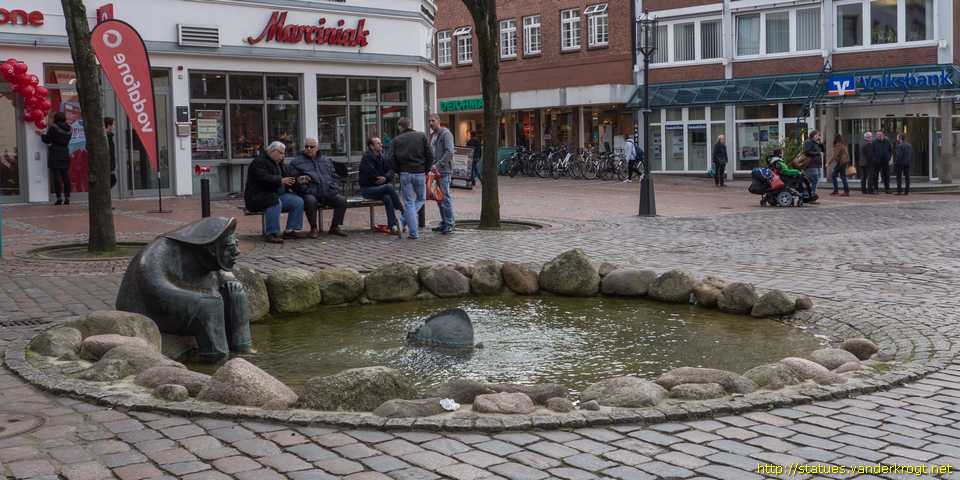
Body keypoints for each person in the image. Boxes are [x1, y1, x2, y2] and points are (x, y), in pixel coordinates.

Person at [243, 141, 305, 244]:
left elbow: (289, 178)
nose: (282, 156)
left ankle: (290, 230)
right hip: (257, 197)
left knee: (297, 201)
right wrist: (280, 180)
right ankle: (272, 233)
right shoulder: (259, 162)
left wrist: (298, 179)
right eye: (281, 153)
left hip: (277, 195)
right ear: (272, 151)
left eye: (284, 153)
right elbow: (263, 178)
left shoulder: (280, 163)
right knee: (274, 201)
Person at [289, 138, 348, 238]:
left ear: (317, 148)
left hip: (327, 191)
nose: (308, 149)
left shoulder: (325, 160)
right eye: (306, 146)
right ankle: (313, 228)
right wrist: (308, 190)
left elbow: (334, 176)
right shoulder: (296, 162)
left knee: (341, 200)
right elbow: (296, 181)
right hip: (309, 193)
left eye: (311, 147)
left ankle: (335, 226)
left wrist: (334, 187)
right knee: (310, 201)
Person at [391, 117, 434, 239]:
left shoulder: (396, 140)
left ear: (400, 126)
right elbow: (430, 154)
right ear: (410, 125)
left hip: (405, 173)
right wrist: (426, 169)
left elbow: (391, 158)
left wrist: (398, 171)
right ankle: (408, 227)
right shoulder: (421, 136)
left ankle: (407, 225)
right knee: (421, 198)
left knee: (409, 202)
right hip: (420, 172)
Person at [360, 136, 403, 234]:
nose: (381, 145)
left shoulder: (382, 157)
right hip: (367, 189)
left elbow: (391, 170)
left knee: (387, 197)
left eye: (380, 143)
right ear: (371, 146)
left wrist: (385, 177)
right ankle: (401, 208)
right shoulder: (367, 158)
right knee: (389, 187)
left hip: (380, 188)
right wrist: (385, 178)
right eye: (378, 143)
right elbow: (373, 175)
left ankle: (392, 226)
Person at [429, 114, 455, 234]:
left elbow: (449, 152)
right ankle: (444, 222)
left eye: (433, 121)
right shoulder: (432, 135)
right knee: (439, 198)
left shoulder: (446, 134)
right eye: (429, 121)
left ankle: (450, 224)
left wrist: (437, 165)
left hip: (443, 171)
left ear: (438, 121)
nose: (431, 123)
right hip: (435, 172)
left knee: (445, 198)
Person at [40, 112, 72, 205]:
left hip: (55, 152)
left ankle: (59, 198)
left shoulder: (53, 127)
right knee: (66, 176)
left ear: (56, 118)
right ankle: (67, 198)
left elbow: (47, 139)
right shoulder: (70, 128)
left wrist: (41, 134)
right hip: (65, 152)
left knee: (56, 177)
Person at [801, 130, 823, 200]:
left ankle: (810, 195)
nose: (818, 136)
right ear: (813, 135)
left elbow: (822, 150)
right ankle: (810, 195)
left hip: (816, 164)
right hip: (810, 165)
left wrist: (820, 144)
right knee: (814, 180)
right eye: (817, 135)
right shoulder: (808, 142)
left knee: (815, 180)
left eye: (819, 135)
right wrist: (816, 153)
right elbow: (806, 151)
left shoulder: (816, 143)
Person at [105, 117, 117, 188]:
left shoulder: (109, 135)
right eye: (113, 124)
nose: (114, 126)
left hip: (110, 163)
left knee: (112, 180)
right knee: (112, 180)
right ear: (109, 125)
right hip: (107, 163)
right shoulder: (105, 136)